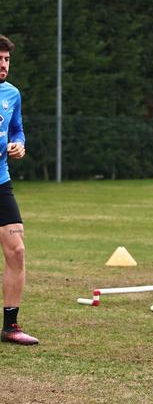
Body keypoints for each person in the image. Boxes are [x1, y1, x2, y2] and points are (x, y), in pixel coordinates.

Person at [0, 35, 37, 346]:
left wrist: (19, 145)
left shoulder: (12, 94)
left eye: (7, 60)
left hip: (1, 183)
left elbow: (17, 128)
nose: (3, 65)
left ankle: (10, 326)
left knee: (17, 251)